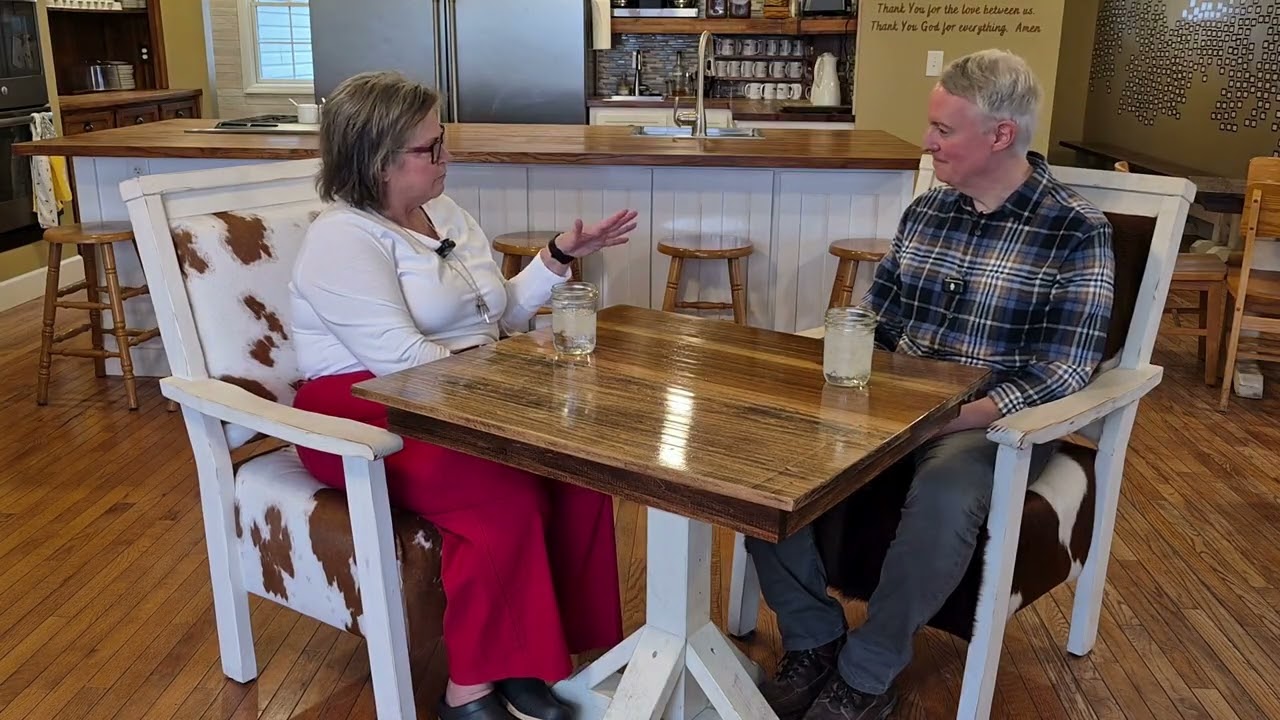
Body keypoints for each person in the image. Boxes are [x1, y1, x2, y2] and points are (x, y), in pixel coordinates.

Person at [745, 49, 1116, 720]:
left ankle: (866, 671)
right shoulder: (927, 214)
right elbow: (880, 321)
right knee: (758, 449)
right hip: (890, 402)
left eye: (944, 129)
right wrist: (821, 367)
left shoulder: (1074, 229)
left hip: (988, 422)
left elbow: (1066, 367)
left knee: (945, 491)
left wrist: (965, 416)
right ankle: (812, 635)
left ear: (1000, 135)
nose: (927, 141)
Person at [288, 70, 638, 720]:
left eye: (442, 142)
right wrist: (512, 375)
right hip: (362, 409)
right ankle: (468, 689)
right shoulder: (342, 239)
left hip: (456, 390)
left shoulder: (443, 211)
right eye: (431, 149)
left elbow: (497, 313)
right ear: (379, 161)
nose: (448, 159)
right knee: (497, 485)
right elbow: (404, 363)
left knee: (579, 469)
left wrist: (556, 257)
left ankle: (533, 657)